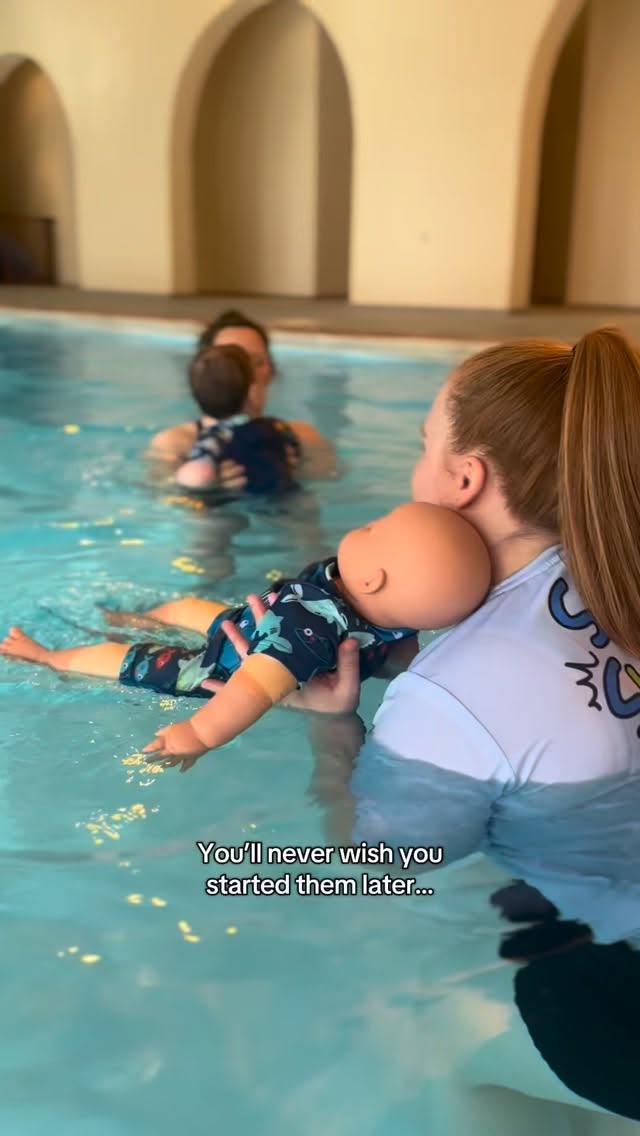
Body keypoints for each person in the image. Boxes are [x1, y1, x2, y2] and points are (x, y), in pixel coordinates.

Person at [191, 324, 640, 1121]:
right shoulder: (613, 566)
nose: (416, 465)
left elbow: (375, 870)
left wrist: (333, 728)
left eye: (423, 442)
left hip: (618, 984)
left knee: (428, 1060)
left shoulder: (450, 697)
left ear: (463, 478)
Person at [0, 502, 491, 765]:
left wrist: (199, 733)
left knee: (120, 658)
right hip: (250, 621)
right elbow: (399, 655)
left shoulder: (306, 634)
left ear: (373, 580)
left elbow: (254, 688)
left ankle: (47, 656)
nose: (368, 525)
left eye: (375, 527)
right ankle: (138, 616)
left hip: (220, 665)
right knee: (192, 607)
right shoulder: (384, 610)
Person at [148, 309, 334, 483]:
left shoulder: (303, 439)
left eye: (256, 362)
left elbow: (328, 491)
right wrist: (209, 491)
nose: (247, 375)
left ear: (271, 371)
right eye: (230, 364)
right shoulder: (175, 445)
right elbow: (162, 501)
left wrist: (295, 473)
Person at [175, 343, 301, 495]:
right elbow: (293, 458)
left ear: (194, 396)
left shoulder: (217, 437)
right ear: (250, 386)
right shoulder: (277, 427)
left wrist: (180, 477)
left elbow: (198, 477)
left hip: (239, 502)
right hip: (287, 497)